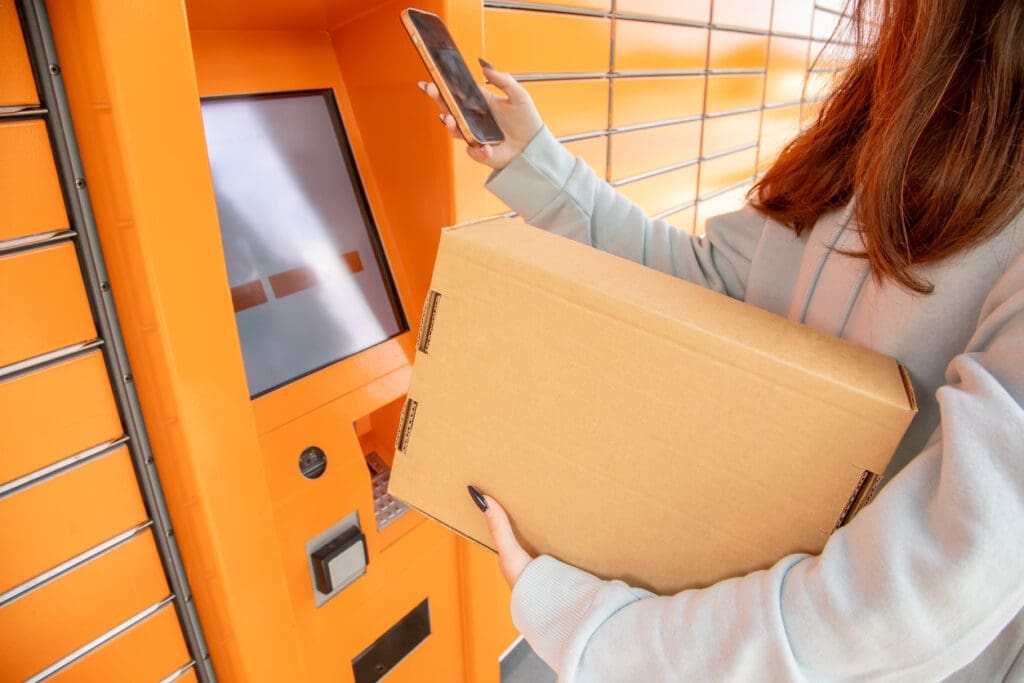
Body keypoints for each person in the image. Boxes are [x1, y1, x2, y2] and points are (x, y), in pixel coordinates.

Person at [418, 0, 1024, 679]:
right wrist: (537, 165)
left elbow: (942, 571)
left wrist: (604, 640)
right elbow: (707, 284)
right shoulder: (884, 105)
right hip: (734, 605)